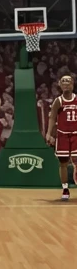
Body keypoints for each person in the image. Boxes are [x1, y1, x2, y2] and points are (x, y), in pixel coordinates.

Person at [46, 72, 77, 202]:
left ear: (72, 84)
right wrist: (48, 133)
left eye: (68, 82)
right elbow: (52, 117)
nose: (66, 84)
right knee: (63, 163)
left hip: (76, 134)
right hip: (62, 135)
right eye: (63, 82)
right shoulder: (58, 101)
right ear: (60, 85)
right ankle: (65, 188)